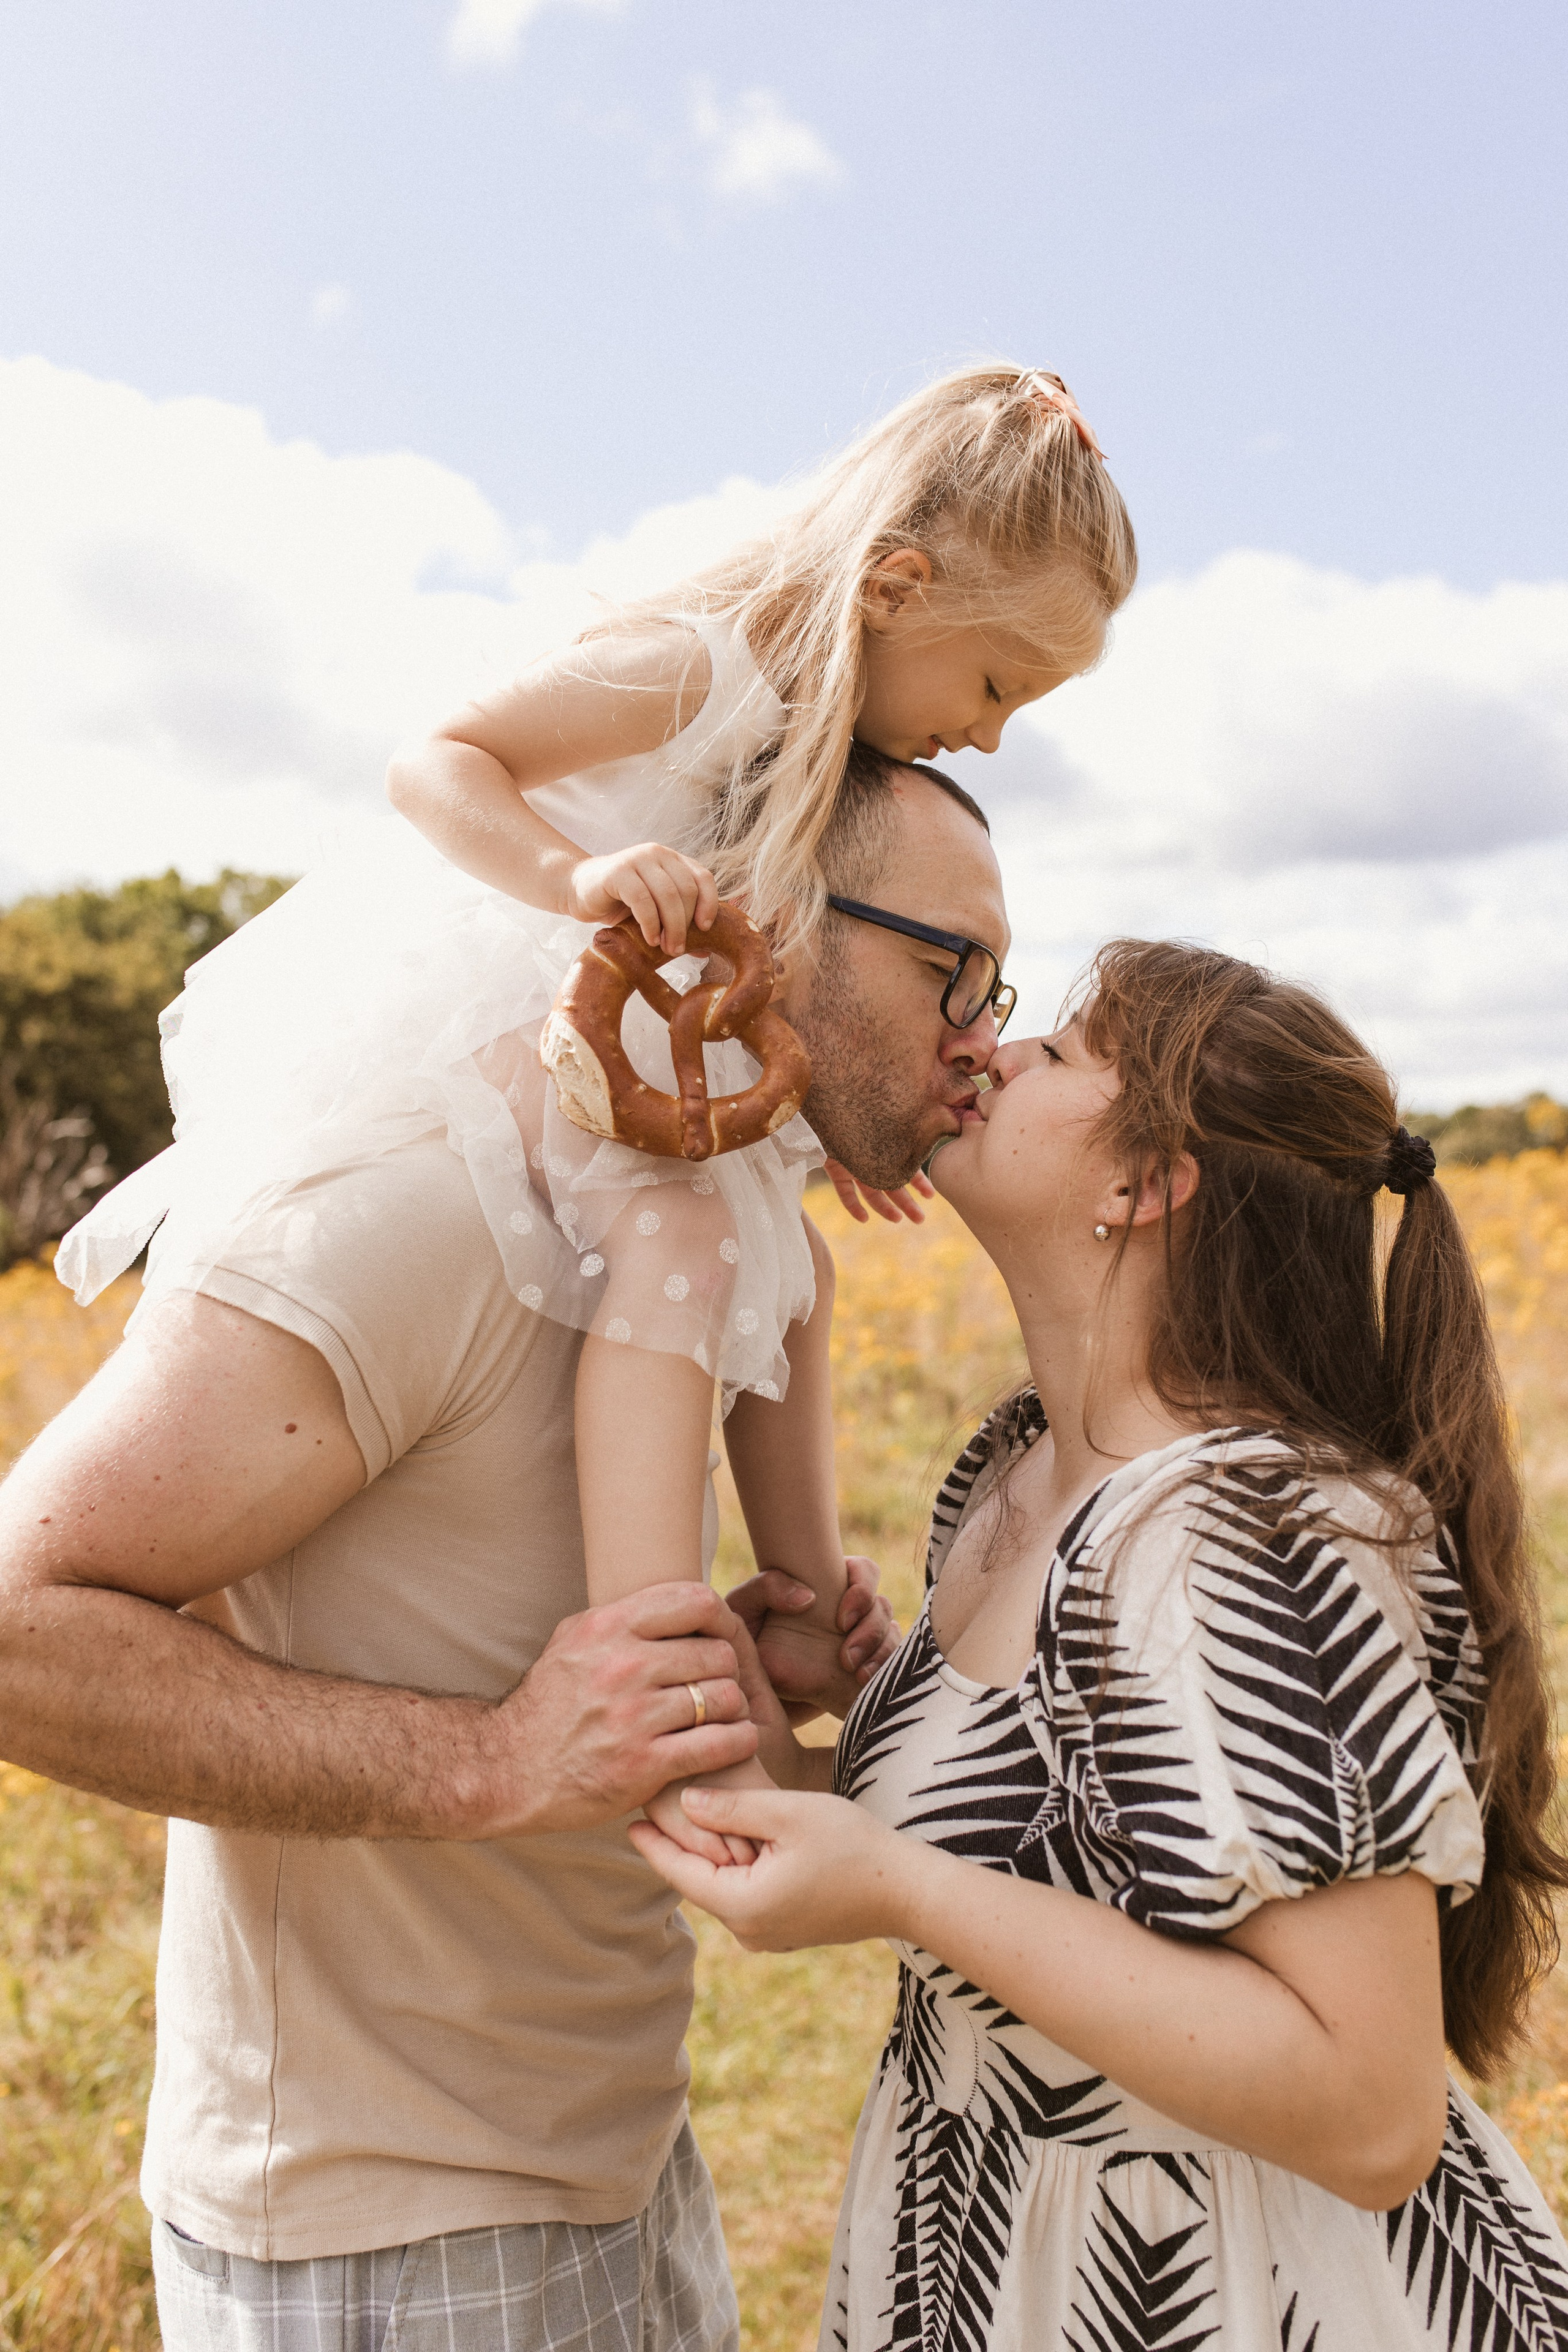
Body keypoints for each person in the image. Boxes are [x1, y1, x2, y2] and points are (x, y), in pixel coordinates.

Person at [0, 748, 1009, 2351]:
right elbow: (17, 1632)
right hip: (386, 2236)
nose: (989, 1037)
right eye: (957, 970)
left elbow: (533, 1629)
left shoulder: (698, 1234)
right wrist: (493, 1762)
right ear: (766, 921)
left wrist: (741, 1672)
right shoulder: (410, 1215)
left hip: (612, 2153)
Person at [56, 364, 1136, 1855]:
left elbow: (769, 963)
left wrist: (825, 1124)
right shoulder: (707, 670)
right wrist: (572, 883)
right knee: (684, 1248)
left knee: (797, 1276)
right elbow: (436, 759)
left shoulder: (816, 752)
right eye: (1000, 686)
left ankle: (810, 1613)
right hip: (522, 1016)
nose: (996, 735)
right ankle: (662, 1679)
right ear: (893, 587)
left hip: (652, 1057)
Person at [631, 938, 1568, 2348]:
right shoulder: (1017, 1469)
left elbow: (1371, 2113)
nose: (989, 1055)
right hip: (996, 2241)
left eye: (1059, 1050)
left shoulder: (1242, 1535)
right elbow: (1084, 1863)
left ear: (1143, 1184)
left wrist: (894, 1887)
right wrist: (815, 1762)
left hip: (1222, 2284)